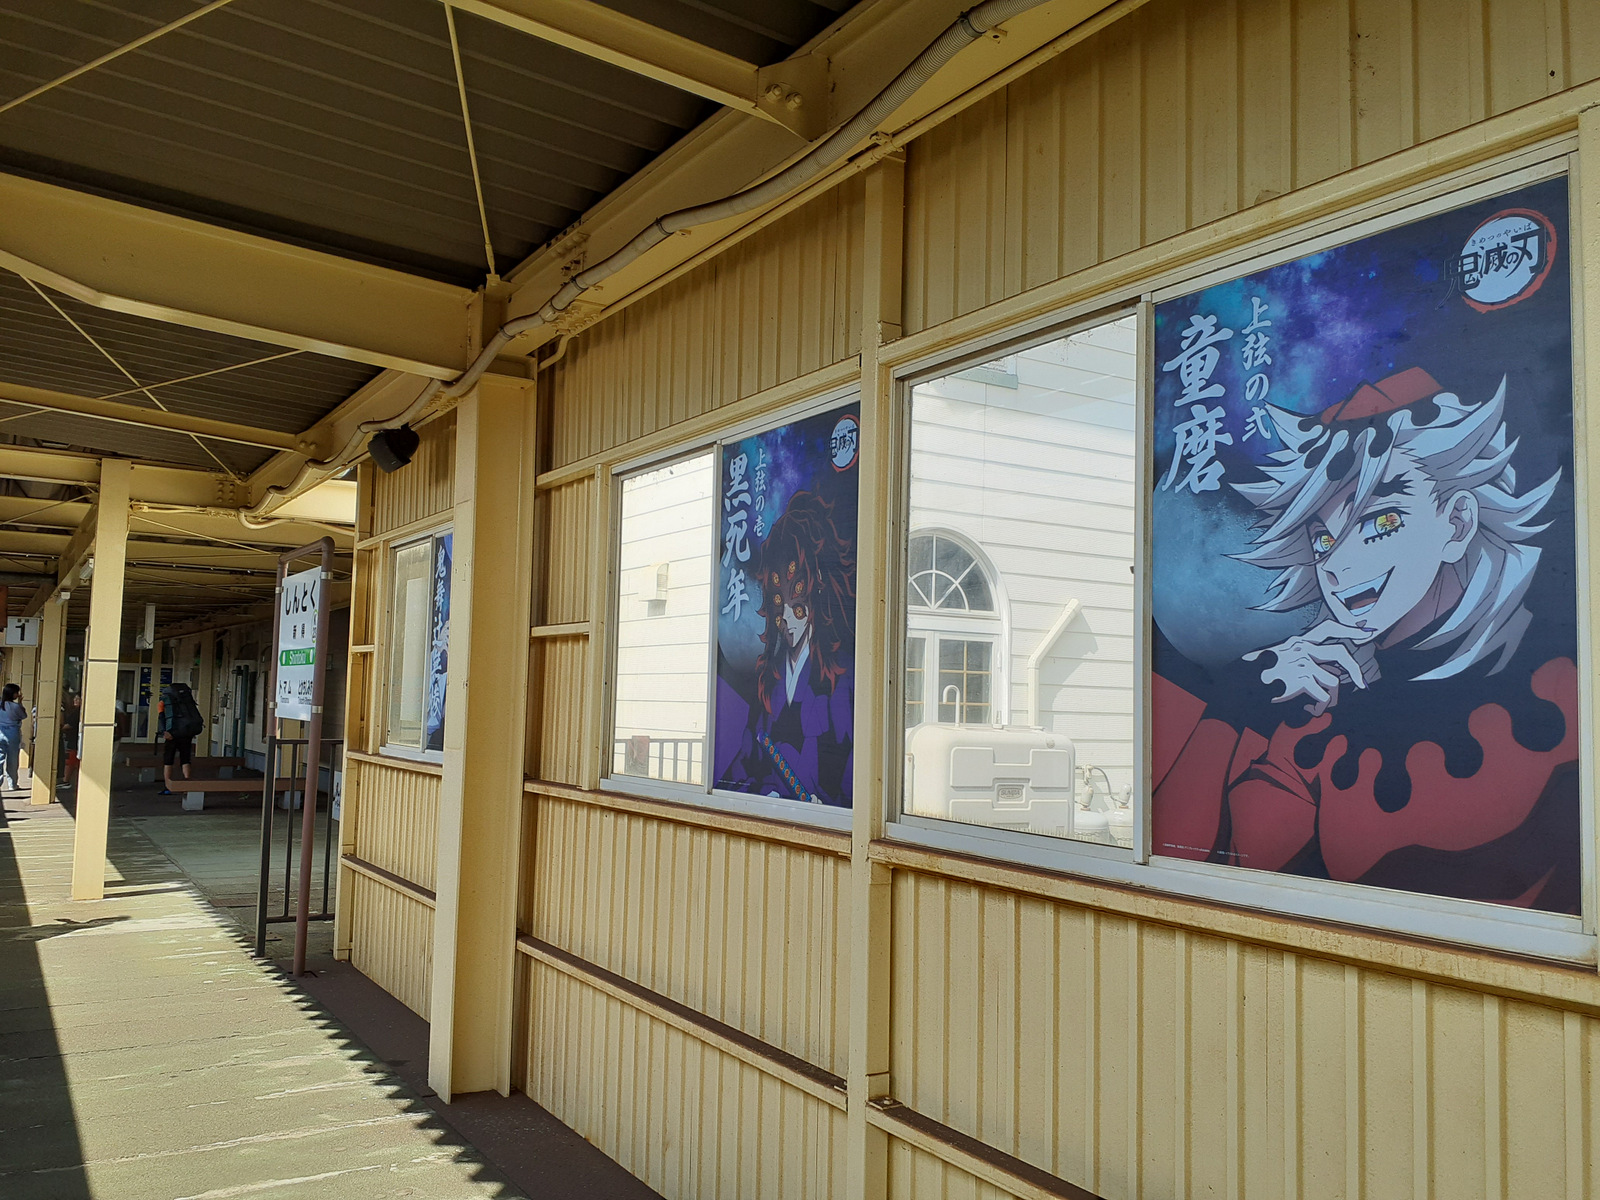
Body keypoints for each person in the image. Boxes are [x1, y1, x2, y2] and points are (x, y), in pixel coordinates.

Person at [1153, 367, 1578, 913]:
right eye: (1323, 538)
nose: (1338, 563)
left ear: (1456, 522)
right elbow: (1187, 871)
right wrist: (1241, 696)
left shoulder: (1561, 684)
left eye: (1380, 521)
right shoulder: (1314, 697)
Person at [718, 491, 856, 806]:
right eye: (780, 603)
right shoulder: (770, 677)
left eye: (797, 601)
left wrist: (830, 806)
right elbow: (745, 763)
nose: (789, 619)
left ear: (815, 585)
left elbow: (852, 767)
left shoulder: (841, 675)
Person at [159, 682, 204, 796]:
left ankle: (167, 786)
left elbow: (161, 717)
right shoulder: (186, 701)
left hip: (172, 733)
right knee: (185, 758)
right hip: (186, 732)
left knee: (168, 760)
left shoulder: (166, 700)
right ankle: (187, 785)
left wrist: (164, 731)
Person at [0, 683, 28, 792]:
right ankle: (12, 784)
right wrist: (20, 703)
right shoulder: (15, 706)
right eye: (17, 692)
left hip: (0, 731)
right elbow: (23, 715)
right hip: (12, 733)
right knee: (12, 760)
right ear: (13, 693)